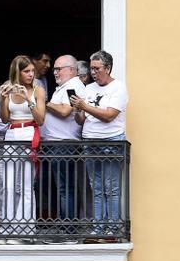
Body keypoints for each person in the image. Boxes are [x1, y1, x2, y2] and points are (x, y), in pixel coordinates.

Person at [72, 51, 128, 240]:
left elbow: (109, 115)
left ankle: (111, 229)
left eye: (97, 68)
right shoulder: (88, 89)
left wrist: (85, 106)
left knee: (110, 188)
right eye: (92, 68)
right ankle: (98, 227)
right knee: (95, 187)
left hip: (110, 141)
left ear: (108, 68)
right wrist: (77, 110)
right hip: (90, 141)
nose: (93, 72)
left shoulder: (118, 88)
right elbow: (81, 121)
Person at [0, 55, 46, 244]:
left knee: (25, 186)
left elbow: (40, 119)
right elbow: (5, 119)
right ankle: (7, 229)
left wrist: (27, 98)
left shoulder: (38, 90)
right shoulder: (7, 88)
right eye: (26, 71)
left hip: (29, 135)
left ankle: (25, 230)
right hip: (11, 135)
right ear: (17, 71)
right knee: (8, 186)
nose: (31, 74)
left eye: (32, 71)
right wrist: (2, 99)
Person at [40, 55, 86, 241]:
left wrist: (42, 99)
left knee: (65, 188)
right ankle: (64, 227)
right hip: (56, 144)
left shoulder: (74, 85)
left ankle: (69, 231)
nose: (55, 72)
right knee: (59, 188)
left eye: (60, 69)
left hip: (63, 144)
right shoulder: (65, 86)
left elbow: (66, 111)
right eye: (55, 70)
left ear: (73, 70)